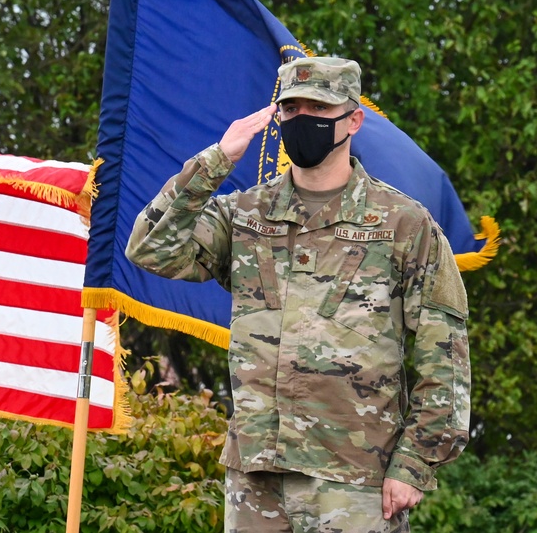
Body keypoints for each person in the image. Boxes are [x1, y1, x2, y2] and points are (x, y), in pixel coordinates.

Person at [125, 57, 471, 533]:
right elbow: (150, 248)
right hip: (256, 479)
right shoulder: (245, 215)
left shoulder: (404, 224)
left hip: (355, 479)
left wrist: (415, 464)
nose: (301, 119)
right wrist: (216, 162)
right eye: (290, 109)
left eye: (317, 107)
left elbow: (444, 357)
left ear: (353, 120)